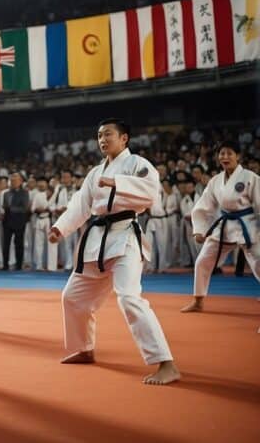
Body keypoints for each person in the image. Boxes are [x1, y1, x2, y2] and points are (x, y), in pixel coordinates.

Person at [49, 118, 180, 386]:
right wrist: (60, 227)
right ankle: (85, 348)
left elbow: (150, 194)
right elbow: (80, 205)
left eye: (108, 134)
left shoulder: (137, 165)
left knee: (129, 298)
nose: (102, 139)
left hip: (124, 238)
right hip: (97, 241)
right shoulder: (94, 173)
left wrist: (118, 183)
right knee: (72, 297)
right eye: (99, 135)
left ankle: (166, 363)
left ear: (124, 138)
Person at [181, 141, 259, 315]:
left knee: (259, 265)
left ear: (238, 156)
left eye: (229, 153)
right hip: (225, 227)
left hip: (248, 226)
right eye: (221, 154)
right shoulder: (216, 181)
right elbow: (203, 205)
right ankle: (198, 301)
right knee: (202, 261)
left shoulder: (251, 178)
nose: (225, 157)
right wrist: (200, 229)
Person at [2, 173, 31, 271]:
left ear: (21, 181)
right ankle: (5, 265)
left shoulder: (25, 193)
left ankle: (18, 265)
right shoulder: (6, 193)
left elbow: (25, 208)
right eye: (12, 180)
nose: (13, 182)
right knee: (5, 244)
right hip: (7, 221)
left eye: (15, 180)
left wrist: (11, 209)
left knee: (19, 244)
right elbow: (4, 206)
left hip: (19, 221)